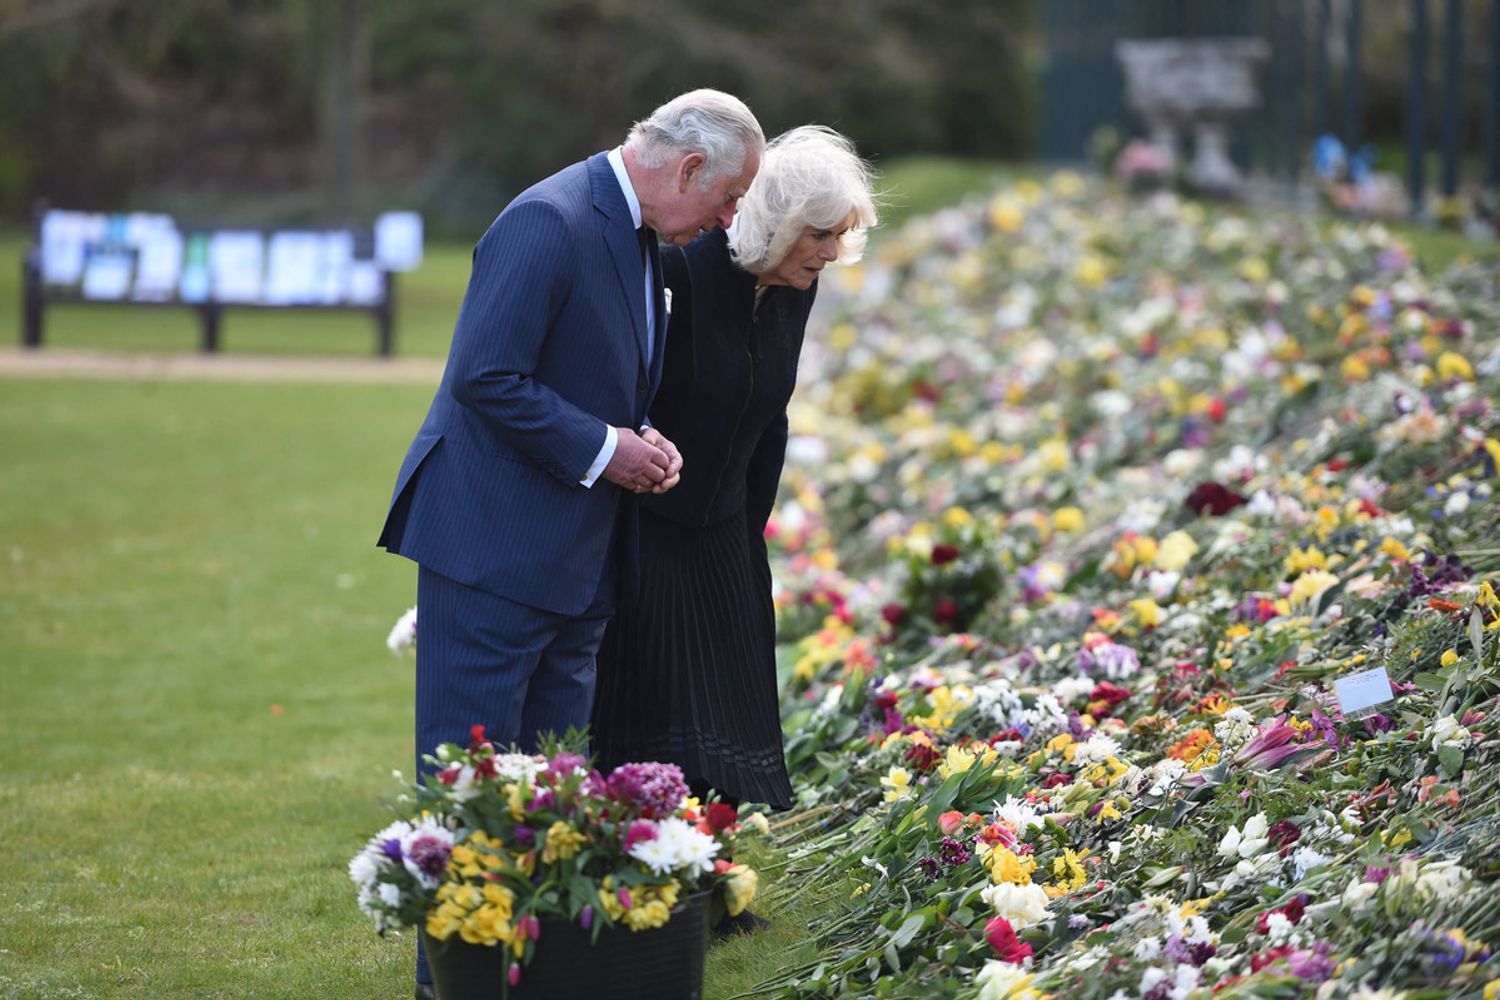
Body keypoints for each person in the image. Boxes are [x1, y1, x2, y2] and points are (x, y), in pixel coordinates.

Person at [376, 89, 763, 1000]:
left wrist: (641, 441)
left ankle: (539, 971)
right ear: (688, 168)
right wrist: (605, 449)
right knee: (471, 784)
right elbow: (485, 375)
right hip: (494, 549)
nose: (730, 218)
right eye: (729, 196)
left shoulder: (641, 236)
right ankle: (455, 986)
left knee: (551, 789)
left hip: (578, 558)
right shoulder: (547, 221)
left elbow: (595, 375)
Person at [591, 126, 878, 818]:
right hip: (648, 525)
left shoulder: (793, 287)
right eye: (819, 235)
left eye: (839, 236)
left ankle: (711, 863)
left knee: (725, 708)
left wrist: (750, 533)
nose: (832, 253)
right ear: (776, 225)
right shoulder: (682, 270)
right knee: (651, 709)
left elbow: (768, 416)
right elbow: (626, 398)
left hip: (725, 529)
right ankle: (652, 875)